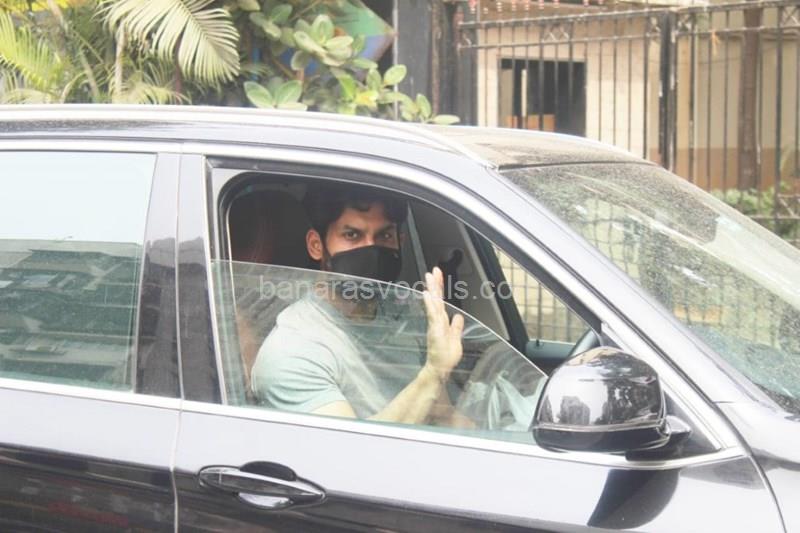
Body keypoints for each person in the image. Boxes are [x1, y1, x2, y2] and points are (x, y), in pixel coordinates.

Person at [250, 186, 470, 426]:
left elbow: (445, 417)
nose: (371, 250)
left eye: (384, 236)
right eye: (352, 235)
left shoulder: (406, 318)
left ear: (400, 241)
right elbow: (352, 446)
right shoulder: (292, 351)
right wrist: (434, 372)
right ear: (316, 245)